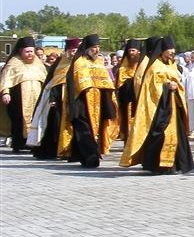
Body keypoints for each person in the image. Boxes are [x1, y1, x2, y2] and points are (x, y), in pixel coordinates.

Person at [120, 35, 194, 174]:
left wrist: (175, 87)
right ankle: (159, 165)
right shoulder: (155, 67)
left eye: (173, 48)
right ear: (162, 50)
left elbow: (177, 83)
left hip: (172, 106)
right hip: (159, 108)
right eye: (169, 49)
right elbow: (152, 88)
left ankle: (175, 164)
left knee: (177, 136)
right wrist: (167, 87)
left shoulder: (170, 65)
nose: (172, 51)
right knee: (159, 136)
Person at [58, 34, 119, 167]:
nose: (97, 50)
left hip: (99, 102)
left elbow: (106, 83)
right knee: (84, 129)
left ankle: (81, 155)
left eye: (98, 47)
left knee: (93, 131)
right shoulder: (79, 62)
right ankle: (90, 156)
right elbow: (74, 85)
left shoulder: (98, 63)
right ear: (87, 48)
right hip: (82, 103)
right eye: (94, 47)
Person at [28, 37, 80, 159]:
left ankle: (72, 151)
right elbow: (53, 81)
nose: (73, 52)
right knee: (56, 124)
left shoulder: (81, 62)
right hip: (60, 100)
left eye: (75, 50)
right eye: (71, 50)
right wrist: (52, 98)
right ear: (67, 50)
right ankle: (57, 150)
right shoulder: (60, 62)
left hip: (76, 100)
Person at [0, 36, 48, 152]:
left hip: (37, 97)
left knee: (36, 119)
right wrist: (5, 93)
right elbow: (6, 80)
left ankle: (34, 143)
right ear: (20, 51)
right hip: (18, 97)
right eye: (27, 52)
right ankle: (18, 143)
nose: (30, 54)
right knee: (18, 120)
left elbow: (45, 79)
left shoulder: (38, 63)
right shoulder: (13, 63)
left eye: (31, 51)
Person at [115, 39, 143, 141]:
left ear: (139, 52)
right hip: (127, 100)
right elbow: (119, 85)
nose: (131, 53)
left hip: (140, 99)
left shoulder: (143, 65)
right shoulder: (123, 67)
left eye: (133, 51)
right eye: (129, 51)